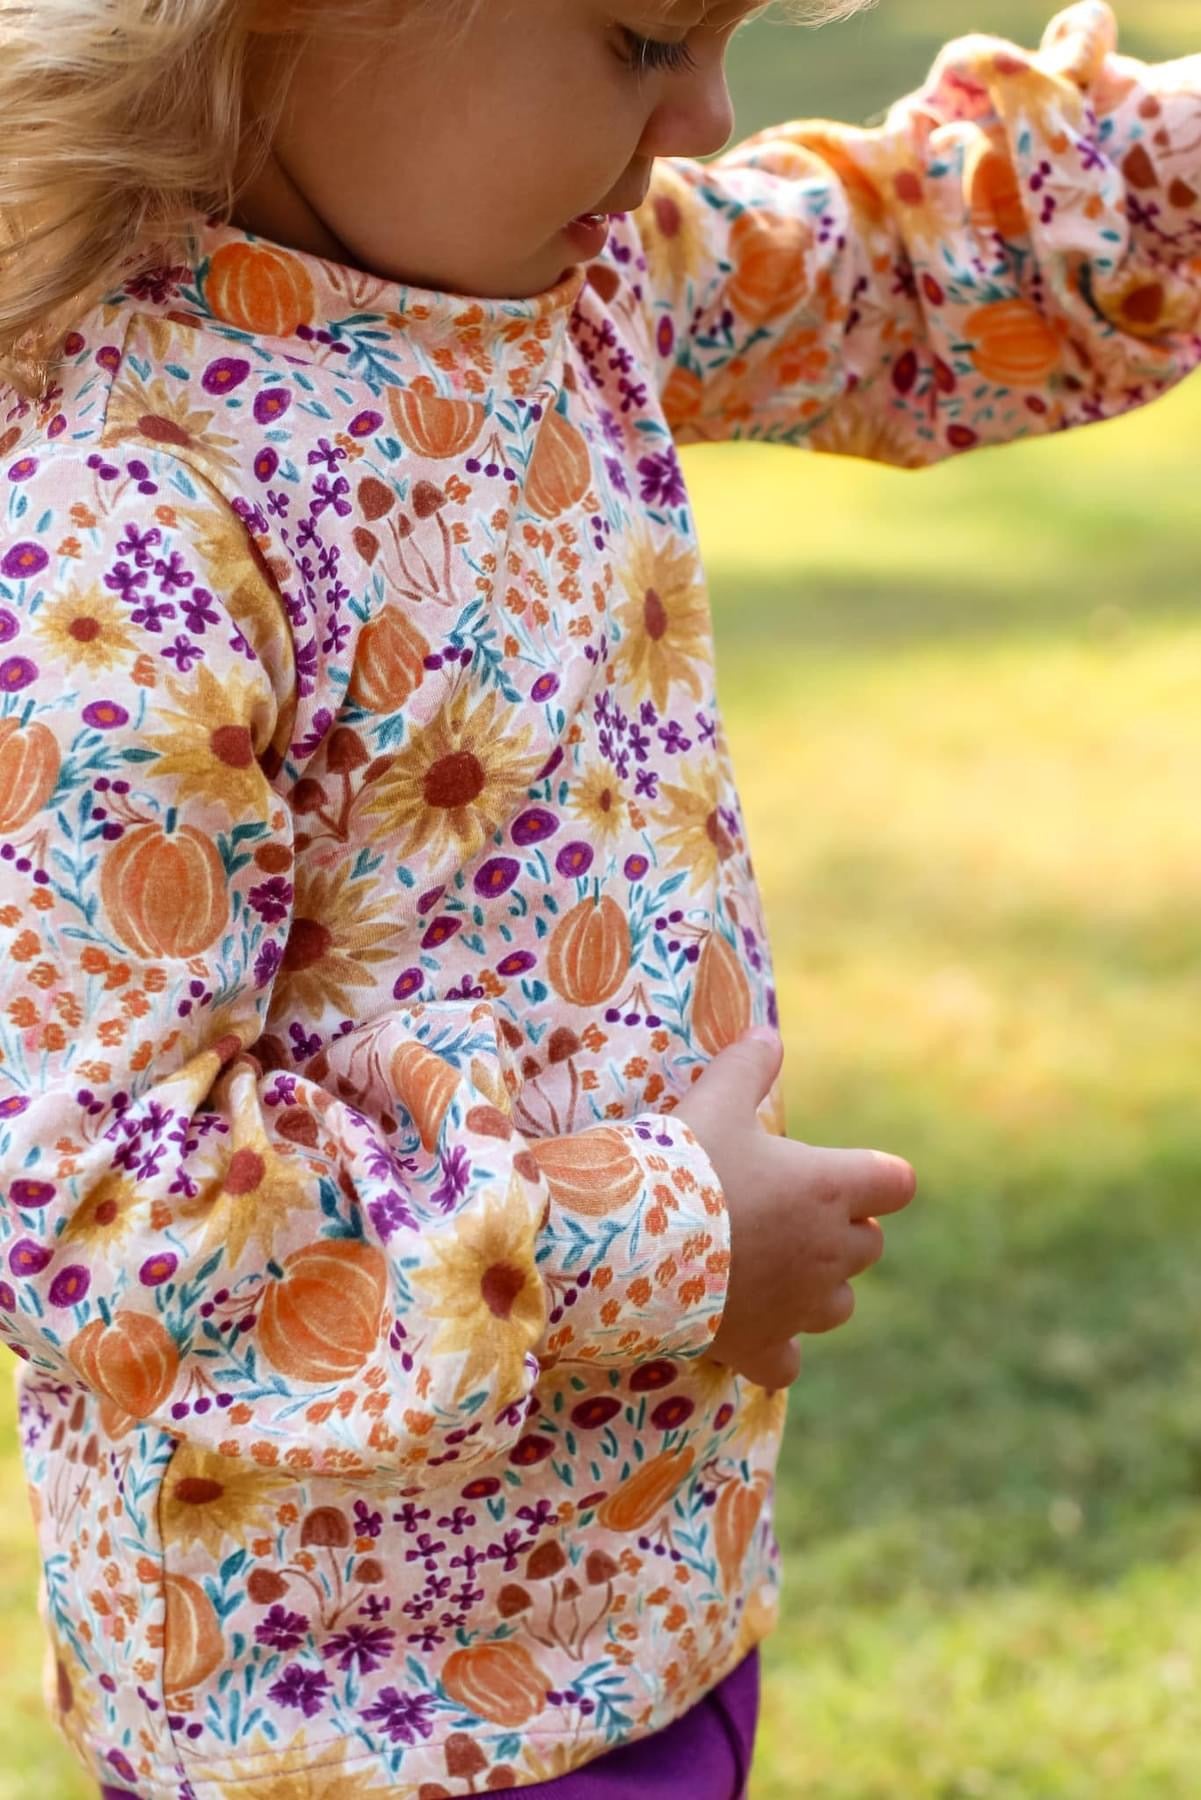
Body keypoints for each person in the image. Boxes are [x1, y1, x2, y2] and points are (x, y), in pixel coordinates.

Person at [0, 0, 1196, 1793]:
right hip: (341, 1704)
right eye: (642, 39)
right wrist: (664, 1238)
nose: (703, 118)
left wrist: (1161, 158)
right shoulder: (127, 514)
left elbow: (885, 268)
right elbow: (100, 1214)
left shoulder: (570, 284)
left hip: (642, 1583)